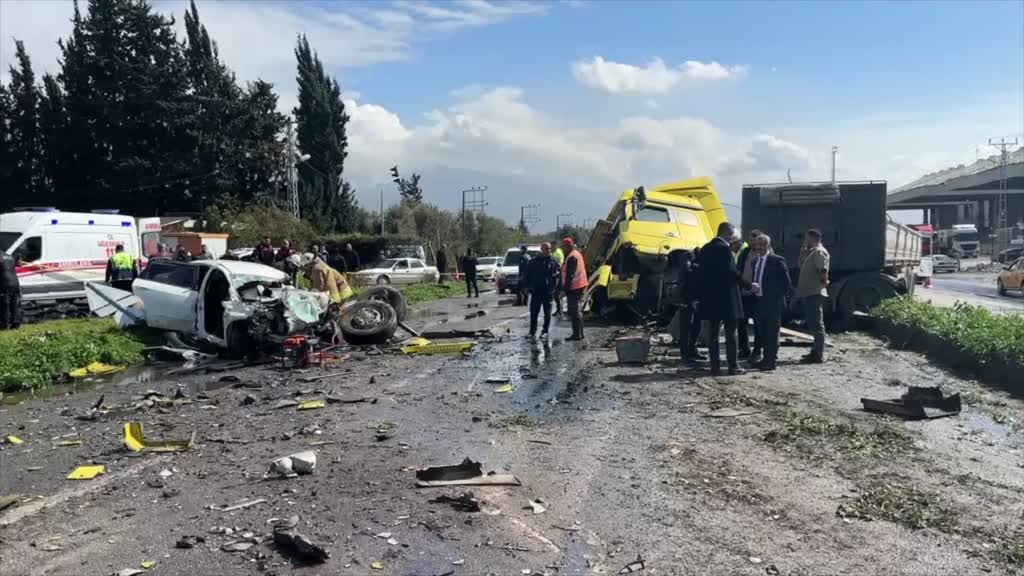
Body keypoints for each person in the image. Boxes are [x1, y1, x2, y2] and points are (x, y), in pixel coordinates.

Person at [698, 222, 750, 376]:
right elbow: (731, 272)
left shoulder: (706, 248)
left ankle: (715, 366)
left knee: (713, 334)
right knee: (731, 332)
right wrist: (748, 284)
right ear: (728, 233)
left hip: (710, 298)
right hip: (728, 298)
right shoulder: (725, 250)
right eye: (733, 233)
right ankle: (733, 366)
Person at [749, 234, 790, 371]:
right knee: (762, 332)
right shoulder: (754, 261)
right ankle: (765, 359)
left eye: (762, 245)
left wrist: (775, 297)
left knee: (772, 333)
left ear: (768, 245)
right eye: (757, 245)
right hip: (758, 302)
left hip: (773, 303)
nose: (759, 247)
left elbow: (786, 283)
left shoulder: (777, 260)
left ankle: (771, 361)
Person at [797, 228, 830, 363]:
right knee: (812, 322)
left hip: (814, 292)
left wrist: (822, 284)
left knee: (816, 323)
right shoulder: (811, 252)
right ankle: (815, 350)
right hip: (809, 292)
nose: (805, 240)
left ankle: (818, 354)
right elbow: (800, 265)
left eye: (807, 238)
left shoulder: (819, 252)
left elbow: (822, 271)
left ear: (813, 238)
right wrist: (802, 254)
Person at [676, 249, 706, 364]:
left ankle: (692, 349)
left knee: (696, 325)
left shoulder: (700, 259)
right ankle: (685, 355)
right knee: (686, 327)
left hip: (697, 297)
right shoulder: (689, 258)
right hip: (687, 297)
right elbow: (686, 277)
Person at [738, 229, 763, 361]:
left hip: (757, 295)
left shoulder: (764, 254)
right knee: (741, 322)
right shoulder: (745, 253)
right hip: (744, 293)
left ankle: (757, 350)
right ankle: (744, 349)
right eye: (750, 239)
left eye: (755, 239)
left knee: (758, 324)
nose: (752, 242)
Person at [526, 242, 560, 338]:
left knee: (547, 313)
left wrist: (554, 289)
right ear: (542, 249)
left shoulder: (553, 261)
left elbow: (558, 276)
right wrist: (529, 287)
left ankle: (545, 331)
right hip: (536, 291)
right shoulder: (534, 262)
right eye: (546, 248)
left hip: (547, 292)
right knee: (534, 312)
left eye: (549, 248)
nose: (548, 250)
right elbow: (527, 275)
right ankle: (532, 331)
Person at [561, 237, 588, 341]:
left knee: (574, 311)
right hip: (580, 285)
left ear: (568, 246)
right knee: (577, 311)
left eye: (564, 247)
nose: (563, 249)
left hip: (574, 287)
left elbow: (570, 275)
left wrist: (564, 290)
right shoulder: (577, 254)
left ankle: (576, 335)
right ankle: (580, 334)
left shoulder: (572, 257)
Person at [0, 250, 22, 330]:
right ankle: (16, 324)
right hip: (15, 283)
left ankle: (3, 325)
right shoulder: (9, 256)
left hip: (5, 282)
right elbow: (16, 264)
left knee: (4, 305)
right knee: (14, 304)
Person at [551, 240, 565, 317]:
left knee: (556, 293)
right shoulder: (554, 252)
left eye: (553, 245)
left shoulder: (558, 253)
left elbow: (560, 264)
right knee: (555, 294)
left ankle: (559, 310)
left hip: (558, 275)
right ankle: (559, 310)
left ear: (556, 245)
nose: (552, 247)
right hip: (555, 275)